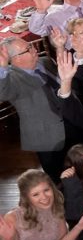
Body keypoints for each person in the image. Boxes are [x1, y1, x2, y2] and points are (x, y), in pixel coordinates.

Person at [0, 36, 66, 181]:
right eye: (28, 49)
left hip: (71, 124)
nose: (34, 49)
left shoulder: (45, 61)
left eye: (30, 45)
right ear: (16, 58)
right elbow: (2, 91)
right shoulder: (12, 79)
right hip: (48, 137)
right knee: (58, 177)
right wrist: (2, 67)